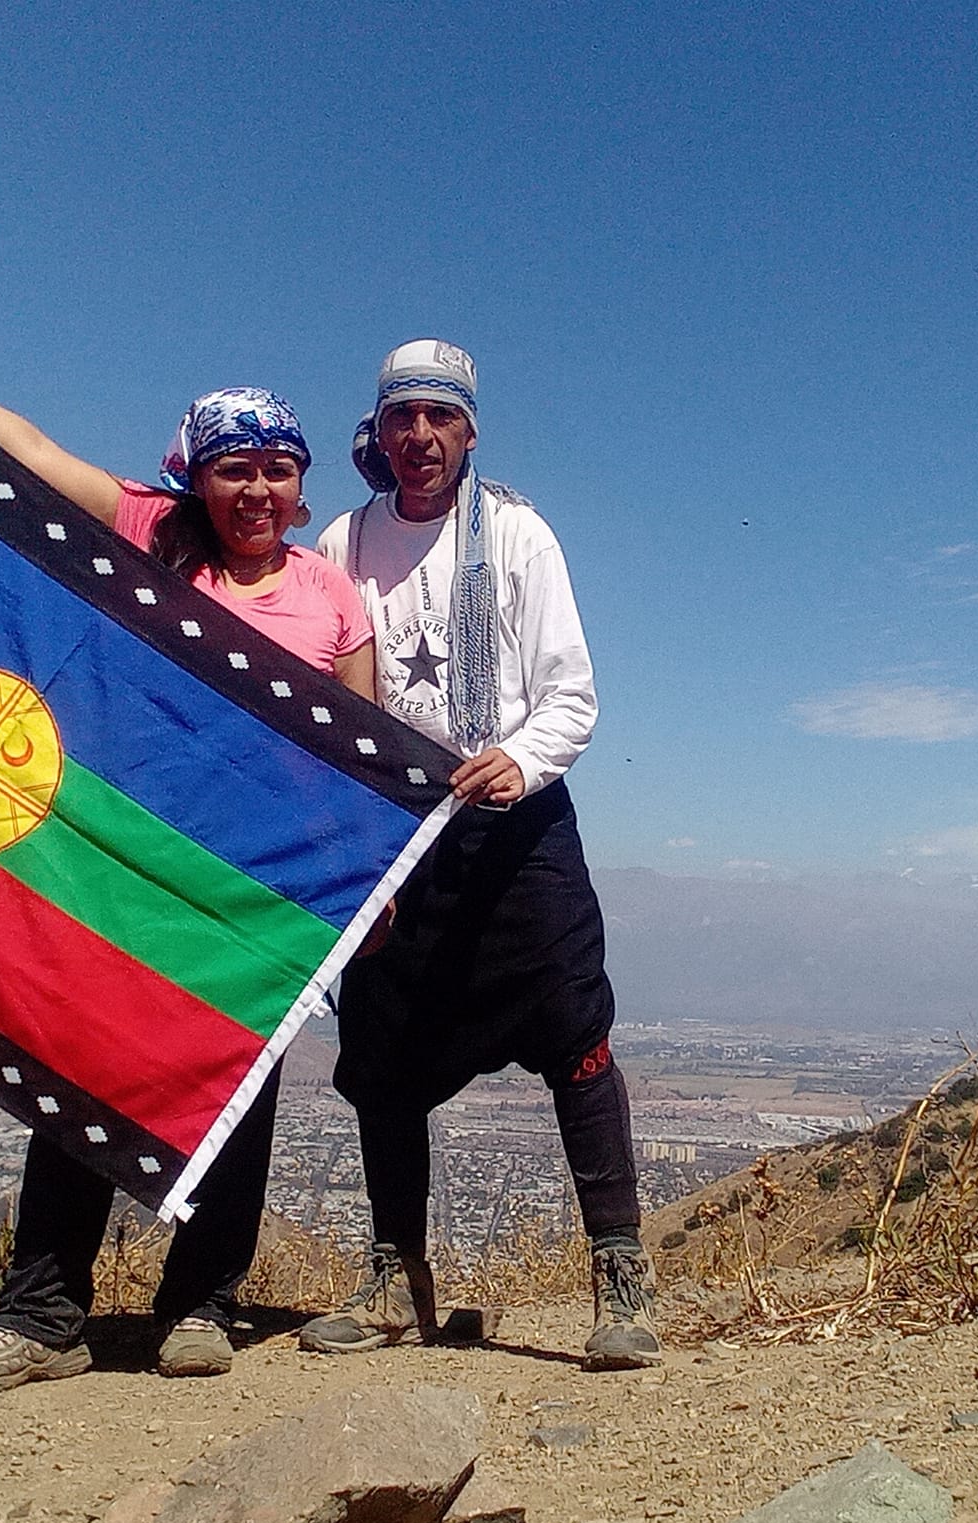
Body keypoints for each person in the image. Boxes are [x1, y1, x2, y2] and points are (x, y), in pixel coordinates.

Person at [0, 311, 375, 1393]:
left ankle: (202, 1306)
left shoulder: (329, 595)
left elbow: (359, 751)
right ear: (195, 478)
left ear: (298, 484)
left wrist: (369, 877)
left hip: (254, 890)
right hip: (125, 867)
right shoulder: (144, 530)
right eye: (233, 471)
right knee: (75, 1068)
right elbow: (26, 452)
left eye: (275, 471)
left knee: (236, 1089)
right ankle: (41, 1319)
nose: (256, 492)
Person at [302, 339, 660, 1370]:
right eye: (402, 417)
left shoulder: (515, 534)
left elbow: (570, 694)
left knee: (575, 1038)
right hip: (398, 837)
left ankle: (620, 1274)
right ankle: (392, 1278)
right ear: (378, 429)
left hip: (516, 832)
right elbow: (329, 692)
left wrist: (519, 757)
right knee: (381, 1056)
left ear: (468, 429)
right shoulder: (342, 542)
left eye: (439, 418)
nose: (420, 436)